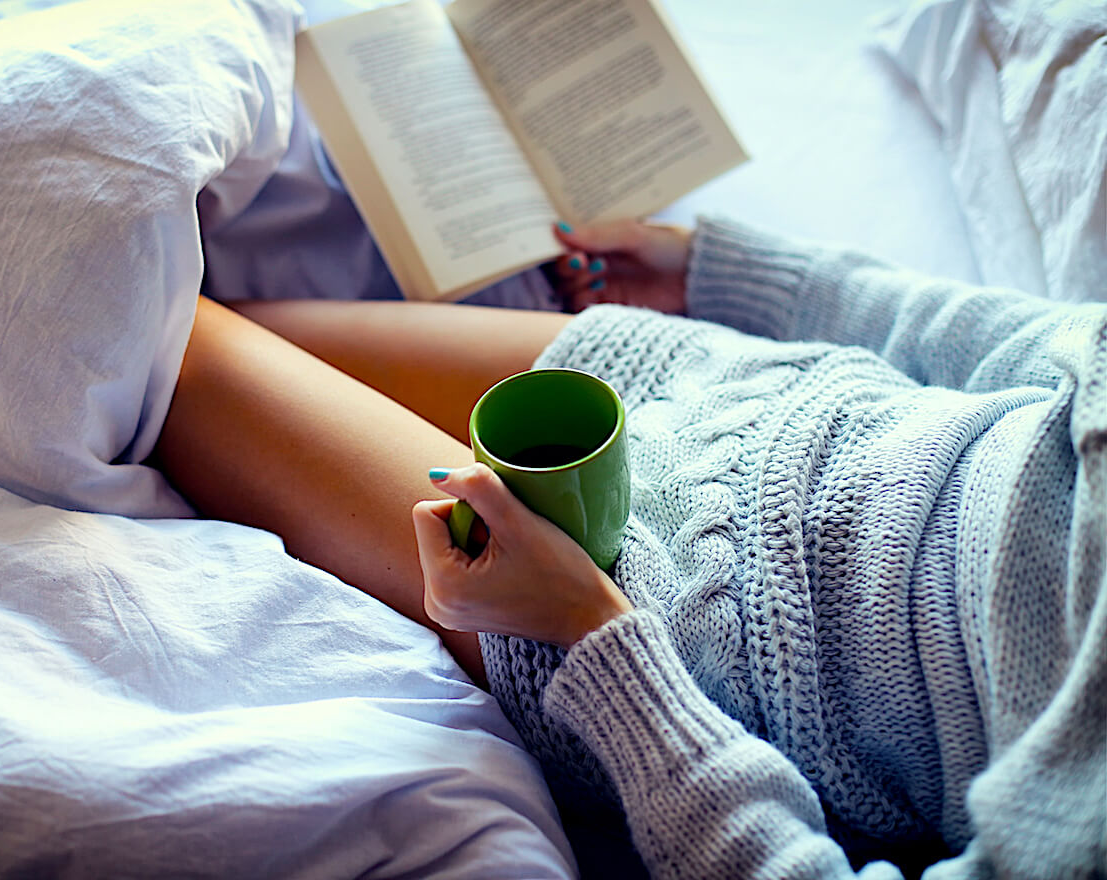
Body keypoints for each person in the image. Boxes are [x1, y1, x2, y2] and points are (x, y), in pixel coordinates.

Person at [149, 216, 1106, 878]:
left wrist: (592, 634)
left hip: (639, 617)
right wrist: (719, 270)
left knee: (171, 355)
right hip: (732, 394)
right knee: (202, 308)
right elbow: (1015, 339)